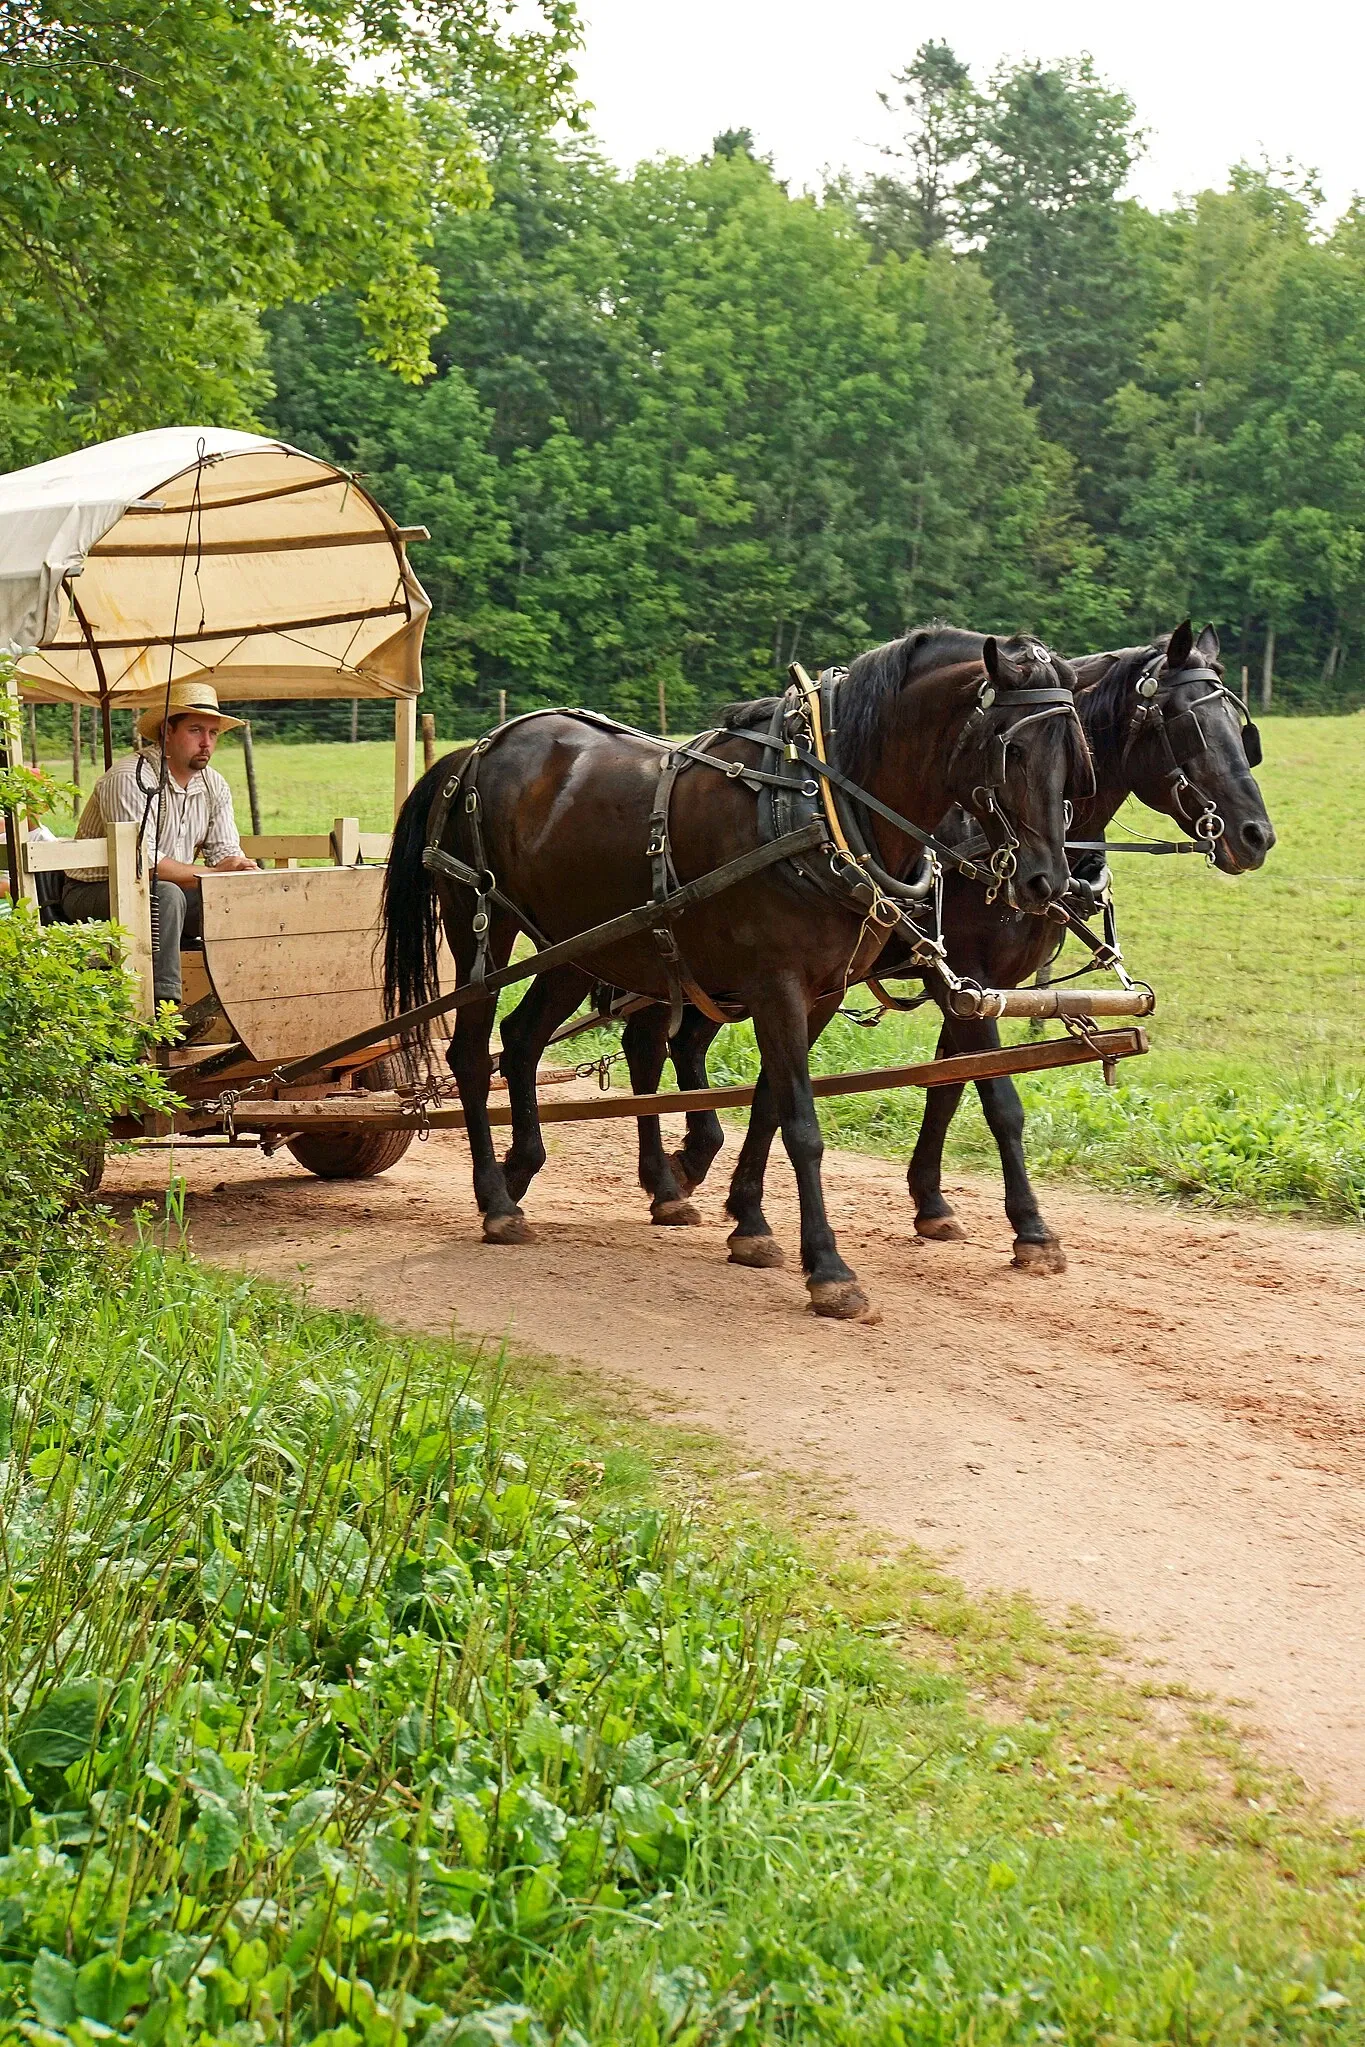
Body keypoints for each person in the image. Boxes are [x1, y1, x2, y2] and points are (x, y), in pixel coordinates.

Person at [62, 681, 257, 1008]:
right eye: (196, 730)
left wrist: (240, 869)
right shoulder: (130, 777)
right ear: (167, 731)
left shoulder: (214, 785)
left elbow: (226, 854)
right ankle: (163, 1013)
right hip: (96, 892)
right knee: (164, 894)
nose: (206, 743)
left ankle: (244, 1003)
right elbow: (144, 865)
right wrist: (213, 872)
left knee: (244, 891)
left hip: (176, 892)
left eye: (213, 733)